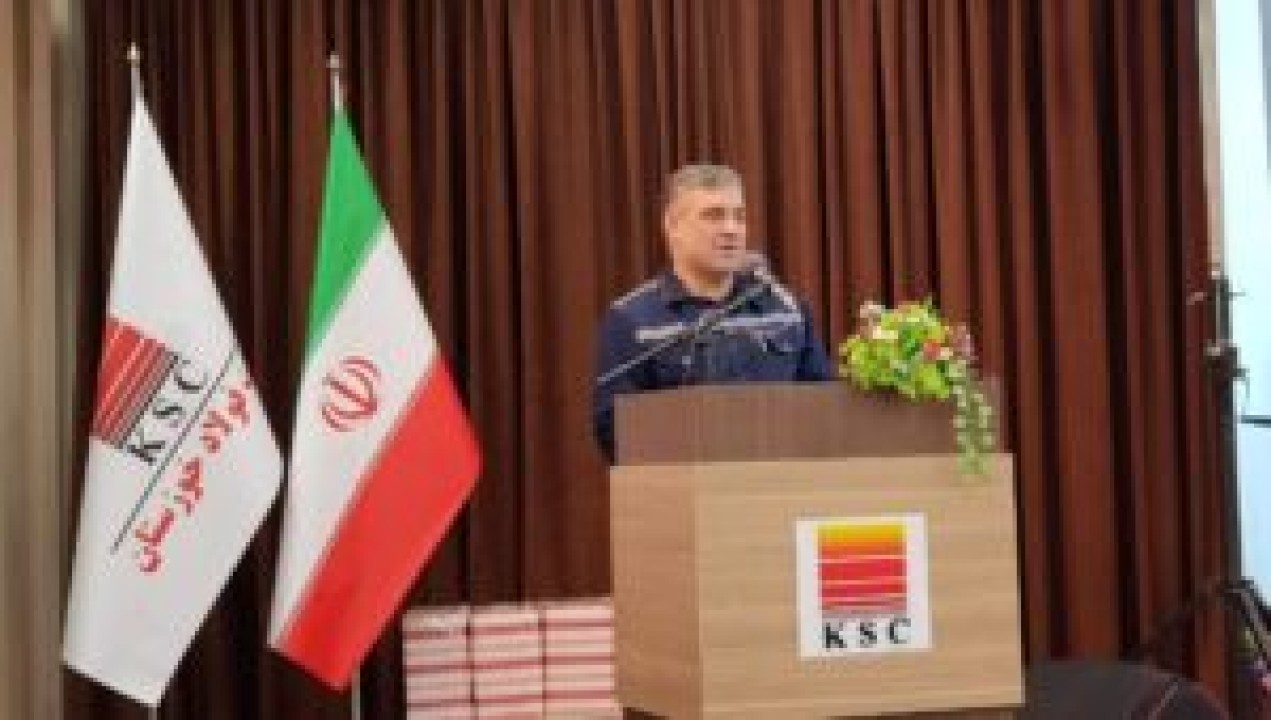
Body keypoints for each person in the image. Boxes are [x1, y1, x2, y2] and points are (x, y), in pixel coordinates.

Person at [592, 163, 835, 462]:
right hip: (682, 486)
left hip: (779, 484)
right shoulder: (633, 319)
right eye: (713, 215)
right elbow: (616, 432)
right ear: (672, 226)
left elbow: (823, 411)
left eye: (739, 216)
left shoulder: (787, 310)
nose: (731, 229)